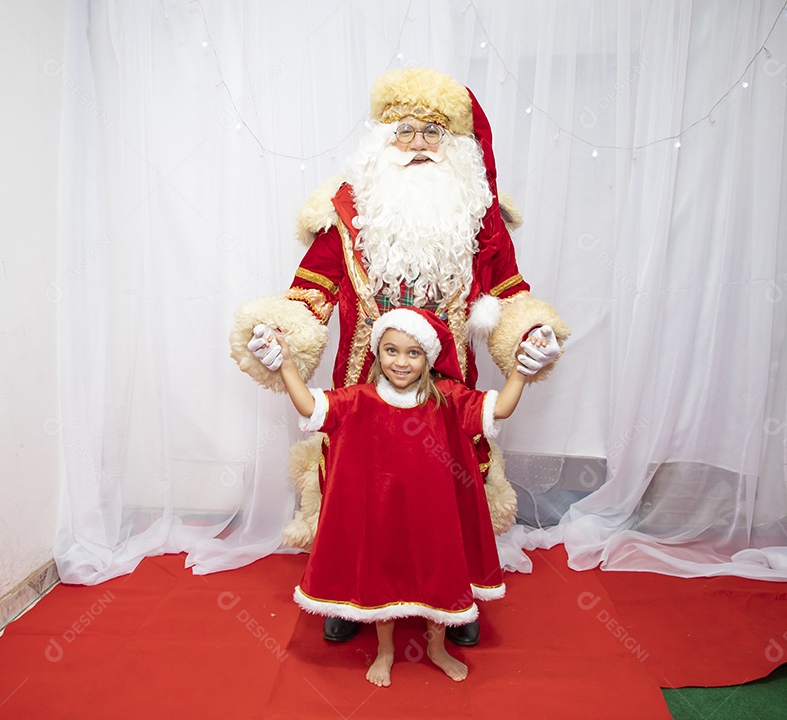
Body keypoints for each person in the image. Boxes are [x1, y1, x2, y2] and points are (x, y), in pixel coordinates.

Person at [230, 66, 570, 646]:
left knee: (449, 490)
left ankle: (456, 597)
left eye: (432, 133)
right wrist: (275, 338)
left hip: (447, 386)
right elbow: (310, 294)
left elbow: (511, 294)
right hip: (364, 387)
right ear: (381, 140)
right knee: (360, 491)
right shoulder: (344, 214)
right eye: (405, 131)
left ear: (455, 145)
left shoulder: (481, 217)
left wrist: (530, 337)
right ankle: (347, 591)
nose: (417, 146)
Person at [257, 307, 550, 686]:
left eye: (413, 353)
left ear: (429, 357)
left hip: (435, 517)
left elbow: (501, 409)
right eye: (392, 350)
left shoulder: (448, 397)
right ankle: (385, 649)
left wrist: (522, 372)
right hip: (382, 516)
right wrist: (285, 367)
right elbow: (310, 407)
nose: (401, 361)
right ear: (378, 352)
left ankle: (437, 646)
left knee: (439, 573)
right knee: (384, 576)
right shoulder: (358, 398)